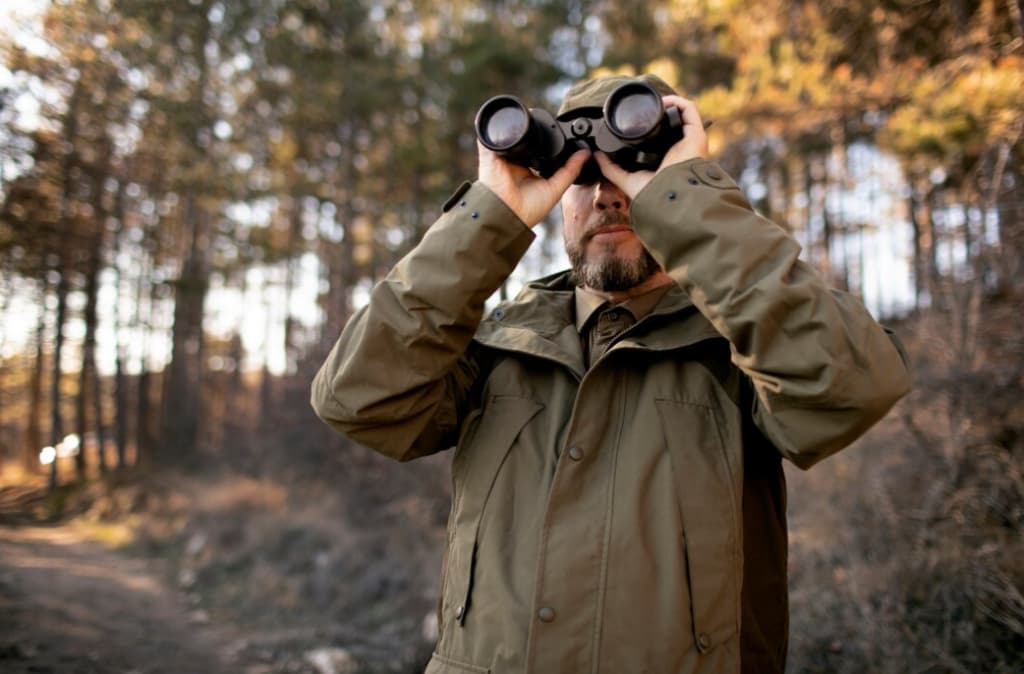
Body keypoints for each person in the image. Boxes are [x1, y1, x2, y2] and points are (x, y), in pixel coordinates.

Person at [311, 73, 911, 674]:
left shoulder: (741, 347)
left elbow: (849, 388)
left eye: (633, 167)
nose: (608, 195)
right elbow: (357, 398)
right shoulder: (495, 349)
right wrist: (488, 218)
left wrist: (689, 202)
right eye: (585, 177)